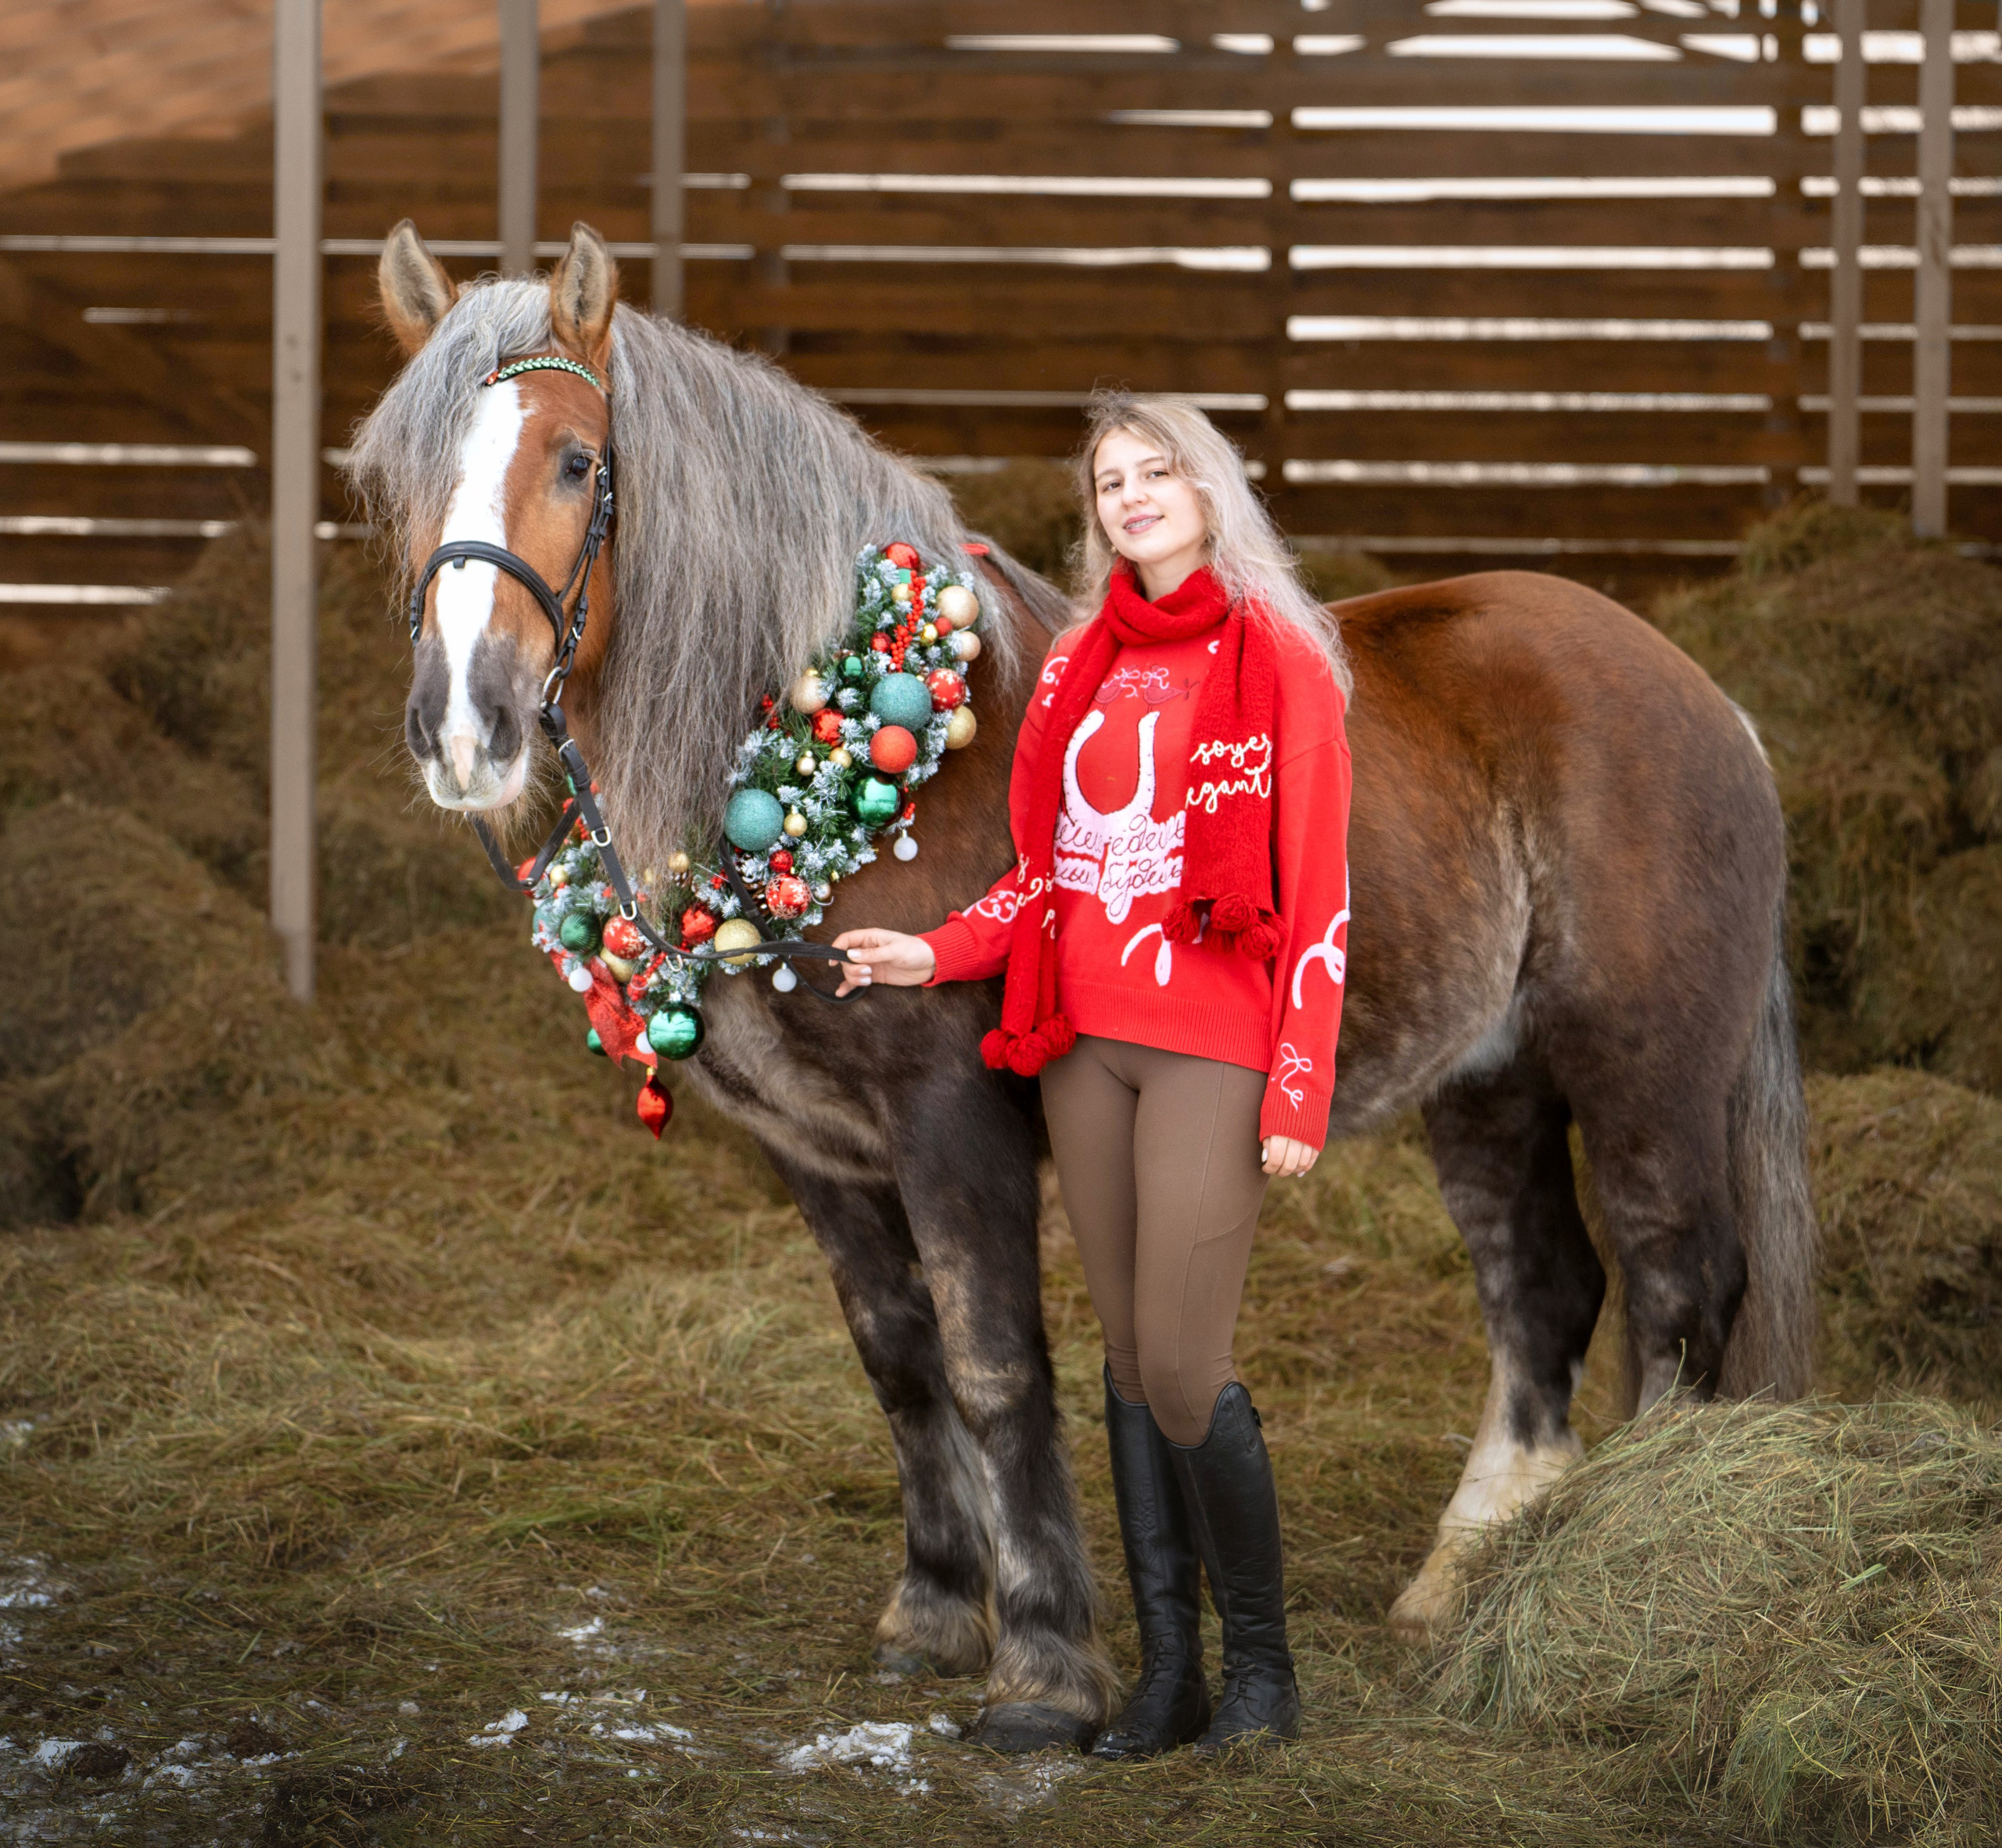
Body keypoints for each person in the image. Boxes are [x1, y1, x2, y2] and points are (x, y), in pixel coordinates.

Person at [833, 393, 1352, 1760]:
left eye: (1157, 471)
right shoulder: (1073, 666)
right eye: (1111, 479)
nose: (1132, 495)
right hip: (1084, 1045)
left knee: (1185, 1369)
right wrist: (926, 952)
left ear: (1210, 489)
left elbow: (1320, 898)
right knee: (1128, 1367)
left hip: (1213, 1048)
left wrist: (1297, 1087)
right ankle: (1170, 1672)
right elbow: (1042, 879)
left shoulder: (1282, 660)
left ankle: (1265, 1674)